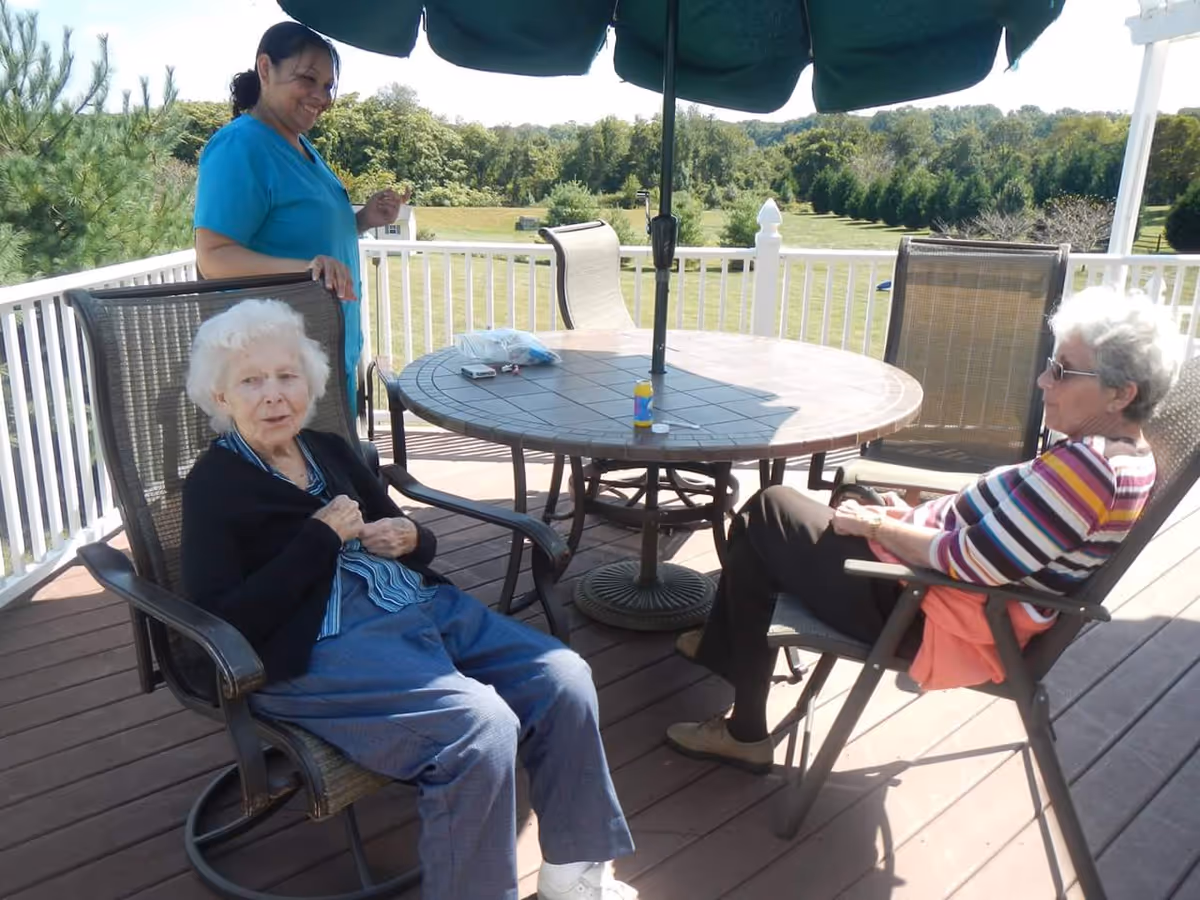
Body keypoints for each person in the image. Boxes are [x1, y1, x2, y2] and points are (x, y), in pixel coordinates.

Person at [180, 299, 637, 900]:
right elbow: (222, 615)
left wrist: (412, 536)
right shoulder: (214, 484)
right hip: (323, 645)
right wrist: (319, 539)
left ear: (309, 383)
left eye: (287, 376)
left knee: (563, 676)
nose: (273, 394)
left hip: (418, 608)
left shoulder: (330, 450)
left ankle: (572, 873)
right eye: (251, 380)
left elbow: (409, 539)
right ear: (221, 398)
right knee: (479, 728)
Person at [665, 286, 1182, 773]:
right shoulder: (1121, 457)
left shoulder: (1088, 472)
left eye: (1063, 371)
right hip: (929, 588)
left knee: (766, 512)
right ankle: (724, 646)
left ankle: (745, 731)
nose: (1043, 381)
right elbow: (999, 536)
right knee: (782, 521)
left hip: (924, 608)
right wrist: (902, 514)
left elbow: (972, 562)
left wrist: (879, 526)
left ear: (1120, 394)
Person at [194, 22, 405, 411]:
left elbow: (305, 233)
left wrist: (362, 220)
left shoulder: (300, 145)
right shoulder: (241, 145)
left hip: (321, 359)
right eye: (308, 78)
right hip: (275, 377)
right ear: (265, 69)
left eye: (327, 85)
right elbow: (213, 256)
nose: (321, 96)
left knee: (334, 469)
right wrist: (306, 267)